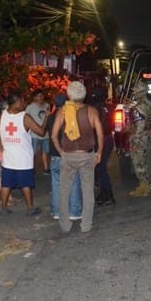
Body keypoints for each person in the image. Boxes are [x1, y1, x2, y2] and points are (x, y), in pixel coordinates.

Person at [50, 81, 103, 234]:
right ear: (84, 94)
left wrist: (61, 152)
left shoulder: (63, 111)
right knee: (87, 192)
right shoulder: (92, 111)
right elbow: (99, 134)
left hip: (68, 155)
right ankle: (86, 225)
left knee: (64, 191)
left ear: (69, 94)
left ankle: (65, 225)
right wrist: (99, 152)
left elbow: (54, 136)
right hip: (87, 155)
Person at [0, 91, 46, 216]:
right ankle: (30, 208)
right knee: (26, 184)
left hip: (8, 158)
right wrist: (46, 118)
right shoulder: (25, 117)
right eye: (22, 101)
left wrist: (0, 145)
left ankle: (3, 208)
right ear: (17, 103)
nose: (24, 103)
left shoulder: (1, 116)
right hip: (23, 158)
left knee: (6, 183)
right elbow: (41, 132)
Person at [45, 94, 83, 220]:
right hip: (68, 153)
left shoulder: (50, 117)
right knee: (73, 182)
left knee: (56, 184)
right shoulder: (69, 115)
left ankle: (57, 211)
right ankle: (74, 211)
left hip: (55, 155)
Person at [127, 81, 151, 198]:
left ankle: (144, 187)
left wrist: (134, 139)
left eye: (136, 90)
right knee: (142, 162)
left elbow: (140, 124)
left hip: (139, 137)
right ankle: (144, 186)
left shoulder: (139, 106)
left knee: (138, 163)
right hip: (145, 135)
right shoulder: (148, 103)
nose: (134, 92)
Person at [90, 88, 115, 205]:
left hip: (101, 139)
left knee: (100, 169)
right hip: (109, 138)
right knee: (101, 168)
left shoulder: (96, 109)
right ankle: (105, 193)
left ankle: (107, 195)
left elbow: (95, 126)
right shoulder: (109, 107)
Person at [25, 89, 51, 175]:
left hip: (46, 134)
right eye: (38, 96)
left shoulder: (47, 105)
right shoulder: (30, 107)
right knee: (33, 152)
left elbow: (49, 117)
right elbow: (26, 119)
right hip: (34, 134)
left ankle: (46, 168)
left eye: (42, 96)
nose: (41, 98)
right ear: (35, 97)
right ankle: (32, 168)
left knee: (45, 152)